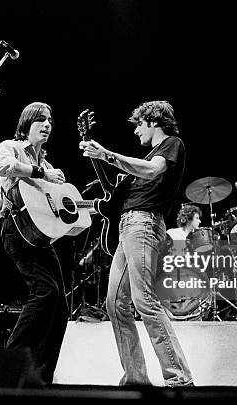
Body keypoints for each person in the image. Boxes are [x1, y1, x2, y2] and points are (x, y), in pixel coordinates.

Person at [79, 100, 193, 387]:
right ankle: (136, 378)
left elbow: (153, 171)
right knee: (115, 303)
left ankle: (180, 378)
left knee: (145, 301)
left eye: (139, 124)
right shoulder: (141, 162)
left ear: (153, 121)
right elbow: (113, 196)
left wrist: (106, 154)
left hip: (144, 224)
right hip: (128, 227)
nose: (136, 132)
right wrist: (99, 158)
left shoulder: (171, 144)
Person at [0, 102, 68, 384]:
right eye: (42, 120)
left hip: (41, 236)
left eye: (50, 121)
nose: (48, 125)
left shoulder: (46, 162)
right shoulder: (10, 147)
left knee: (61, 306)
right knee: (46, 292)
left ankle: (41, 377)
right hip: (17, 230)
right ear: (27, 123)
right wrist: (40, 173)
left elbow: (55, 206)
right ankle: (9, 365)